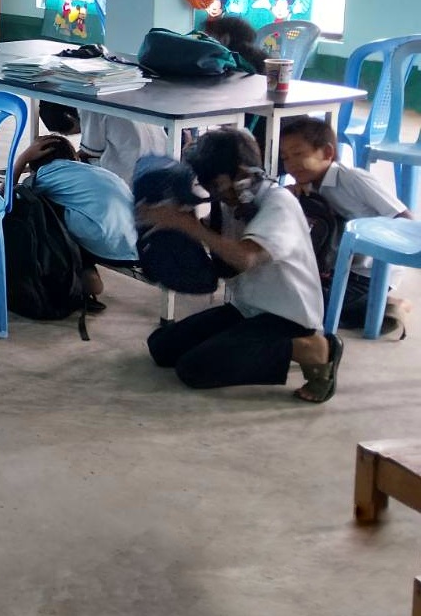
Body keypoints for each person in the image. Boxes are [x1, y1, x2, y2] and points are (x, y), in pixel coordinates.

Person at [141, 128, 343, 402]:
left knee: (194, 369)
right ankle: (245, 343)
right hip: (247, 308)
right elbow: (219, 257)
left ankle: (313, 349)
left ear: (243, 173)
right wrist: (171, 225)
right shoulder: (229, 201)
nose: (213, 192)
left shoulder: (278, 203)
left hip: (287, 317)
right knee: (162, 348)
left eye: (217, 184)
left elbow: (245, 258)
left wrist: (187, 225)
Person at [278, 115, 412, 335]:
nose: (290, 164)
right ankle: (369, 307)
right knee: (284, 291)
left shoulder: (353, 179)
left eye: (299, 154)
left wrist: (374, 244)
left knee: (309, 309)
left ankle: (389, 305)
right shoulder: (307, 186)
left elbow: (403, 217)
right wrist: (290, 195)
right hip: (337, 269)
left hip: (369, 274)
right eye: (285, 158)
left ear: (327, 153)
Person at [15, 133, 139, 309]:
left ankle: (74, 274)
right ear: (74, 157)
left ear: (34, 164)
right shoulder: (98, 171)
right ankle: (86, 271)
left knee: (36, 205)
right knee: (81, 207)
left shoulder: (45, 175)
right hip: (138, 246)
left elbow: (4, 200)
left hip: (106, 244)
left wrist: (21, 160)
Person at [78, 111, 168, 184]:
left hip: (128, 177)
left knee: (76, 168)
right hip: (163, 167)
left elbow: (91, 150)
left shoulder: (89, 107)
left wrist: (71, 155)